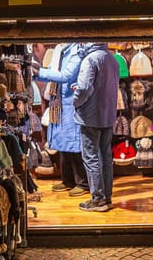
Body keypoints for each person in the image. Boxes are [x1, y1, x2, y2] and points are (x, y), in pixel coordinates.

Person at [35, 43, 89, 197]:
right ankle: (68, 180)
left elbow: (66, 75)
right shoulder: (60, 50)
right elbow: (54, 71)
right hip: (59, 101)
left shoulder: (77, 51)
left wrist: (38, 72)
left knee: (74, 143)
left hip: (71, 102)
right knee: (63, 144)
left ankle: (82, 182)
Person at [71, 42, 119, 213]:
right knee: (105, 156)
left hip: (90, 116)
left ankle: (98, 200)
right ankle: (106, 197)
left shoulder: (90, 59)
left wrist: (75, 101)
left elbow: (84, 88)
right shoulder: (112, 59)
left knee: (91, 157)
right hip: (108, 114)